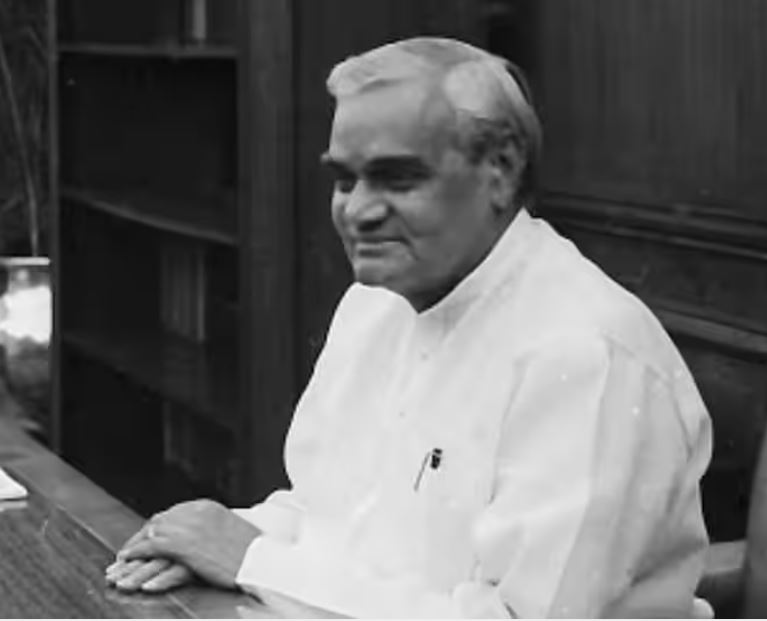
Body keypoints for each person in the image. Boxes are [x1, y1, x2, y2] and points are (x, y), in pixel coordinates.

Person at [105, 37, 712, 617]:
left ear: (500, 171)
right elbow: (325, 514)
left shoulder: (585, 353)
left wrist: (253, 561)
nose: (358, 211)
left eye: (397, 178)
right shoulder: (374, 303)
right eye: (344, 180)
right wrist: (206, 538)